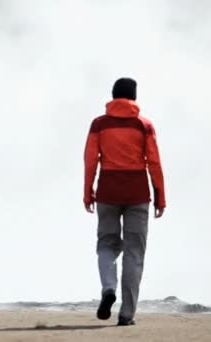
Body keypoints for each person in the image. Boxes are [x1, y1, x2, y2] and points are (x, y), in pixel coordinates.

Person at [83, 77, 166, 326]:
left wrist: (88, 191)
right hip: (137, 193)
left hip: (108, 191)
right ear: (134, 97)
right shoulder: (144, 125)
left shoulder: (99, 124)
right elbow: (154, 162)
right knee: (134, 252)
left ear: (113, 96)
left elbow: (90, 160)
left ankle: (109, 288)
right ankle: (127, 314)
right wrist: (160, 195)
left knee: (106, 244)